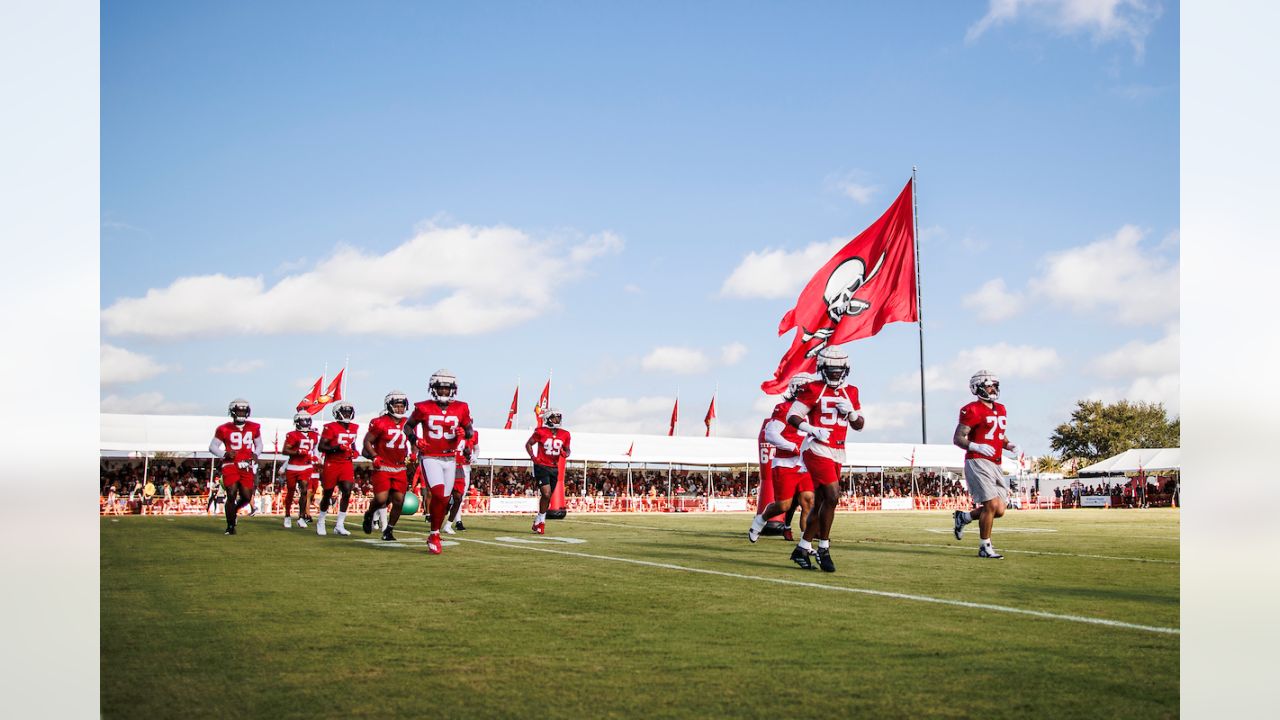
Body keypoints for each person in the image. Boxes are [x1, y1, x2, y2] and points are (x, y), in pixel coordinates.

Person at [786, 348, 863, 572]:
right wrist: (811, 428)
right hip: (817, 447)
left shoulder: (852, 391)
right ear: (822, 368)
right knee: (832, 495)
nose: (836, 374)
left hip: (838, 450)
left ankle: (802, 548)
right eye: (832, 370)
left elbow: (859, 426)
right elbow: (793, 415)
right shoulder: (813, 388)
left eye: (839, 370)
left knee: (821, 503)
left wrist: (853, 414)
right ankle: (824, 548)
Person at [951, 370, 1020, 559]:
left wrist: (1008, 444)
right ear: (977, 387)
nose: (993, 389)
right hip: (977, 460)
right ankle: (984, 547)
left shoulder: (1001, 408)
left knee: (999, 510)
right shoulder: (971, 409)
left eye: (994, 385)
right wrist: (976, 446)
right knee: (990, 505)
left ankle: (963, 517)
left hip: (996, 463)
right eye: (989, 385)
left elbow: (997, 433)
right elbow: (958, 438)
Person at [404, 369, 474, 555]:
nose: (444, 391)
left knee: (444, 499)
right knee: (436, 493)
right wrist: (416, 441)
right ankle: (434, 534)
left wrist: (463, 434)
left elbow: (470, 431)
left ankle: (434, 532)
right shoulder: (423, 407)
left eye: (447, 388)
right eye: (440, 388)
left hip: (450, 458)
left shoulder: (461, 407)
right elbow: (407, 426)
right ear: (433, 388)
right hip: (430, 456)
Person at [748, 373, 816, 544]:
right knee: (783, 505)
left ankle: (805, 544)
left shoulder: (814, 412)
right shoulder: (784, 408)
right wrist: (792, 447)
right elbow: (770, 434)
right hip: (785, 463)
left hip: (805, 464)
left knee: (808, 502)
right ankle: (761, 520)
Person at [362, 391, 412, 541]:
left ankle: (389, 530)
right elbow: (367, 442)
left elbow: (413, 440)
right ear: (389, 406)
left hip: (400, 467)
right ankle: (370, 513)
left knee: (399, 501)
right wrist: (374, 456)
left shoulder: (407, 423)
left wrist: (415, 452)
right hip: (383, 466)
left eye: (402, 406)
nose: (400, 409)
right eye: (396, 406)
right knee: (381, 499)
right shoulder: (379, 422)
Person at [208, 398, 263, 535]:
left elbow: (259, 445)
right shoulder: (223, 428)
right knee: (231, 494)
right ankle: (230, 526)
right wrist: (224, 453)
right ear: (233, 411)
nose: (241, 413)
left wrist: (256, 453)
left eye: (244, 411)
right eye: (239, 410)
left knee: (246, 496)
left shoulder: (254, 427)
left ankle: (234, 511)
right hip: (230, 465)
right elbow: (212, 447)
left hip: (246, 465)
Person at [316, 401, 360, 537]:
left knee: (347, 491)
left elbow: (352, 445)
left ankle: (340, 524)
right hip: (332, 463)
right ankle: (321, 520)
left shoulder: (354, 427)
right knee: (328, 493)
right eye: (345, 411)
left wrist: (354, 451)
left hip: (346, 463)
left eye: (349, 411)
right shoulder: (330, 427)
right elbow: (321, 447)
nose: (347, 414)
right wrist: (336, 448)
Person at [525, 408, 571, 535]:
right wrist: (533, 458)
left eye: (559, 417)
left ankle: (538, 519)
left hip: (554, 467)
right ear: (548, 418)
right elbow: (528, 444)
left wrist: (565, 453)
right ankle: (542, 522)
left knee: (548, 496)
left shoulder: (565, 434)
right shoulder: (540, 431)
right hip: (541, 466)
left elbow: (568, 450)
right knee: (546, 493)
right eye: (555, 417)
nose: (558, 419)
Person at [280, 412, 319, 529]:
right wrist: (297, 452)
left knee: (304, 491)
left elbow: (315, 449)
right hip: (293, 467)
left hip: (306, 467)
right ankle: (287, 515)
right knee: (291, 492)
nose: (306, 423)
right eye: (303, 421)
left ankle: (301, 517)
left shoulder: (314, 435)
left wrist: (316, 457)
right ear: (297, 422)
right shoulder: (292, 435)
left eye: (307, 421)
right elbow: (284, 451)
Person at [445, 428, 479, 533]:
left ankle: (457, 521)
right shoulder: (453, 431)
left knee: (460, 496)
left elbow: (476, 449)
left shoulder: (473, 434)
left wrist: (473, 456)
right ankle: (450, 521)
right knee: (444, 496)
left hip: (463, 467)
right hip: (450, 465)